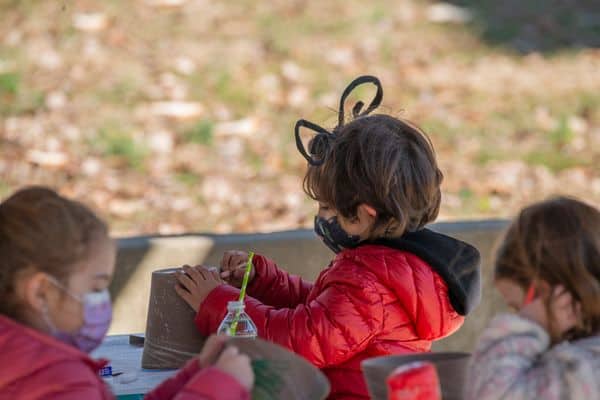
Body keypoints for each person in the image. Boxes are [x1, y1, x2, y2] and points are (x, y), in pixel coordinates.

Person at [175, 76, 481, 399]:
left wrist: (220, 306)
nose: (321, 218)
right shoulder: (397, 267)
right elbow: (321, 312)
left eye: (326, 207)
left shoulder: (369, 283)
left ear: (364, 214)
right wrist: (263, 281)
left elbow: (298, 342)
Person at [0, 187, 253, 400]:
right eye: (96, 288)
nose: (102, 301)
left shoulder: (22, 365)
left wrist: (195, 375)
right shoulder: (59, 380)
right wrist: (220, 387)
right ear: (41, 292)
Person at [466, 197, 600, 400]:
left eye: (519, 308)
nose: (520, 318)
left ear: (543, 292)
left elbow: (491, 393)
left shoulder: (582, 372)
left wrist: (529, 323)